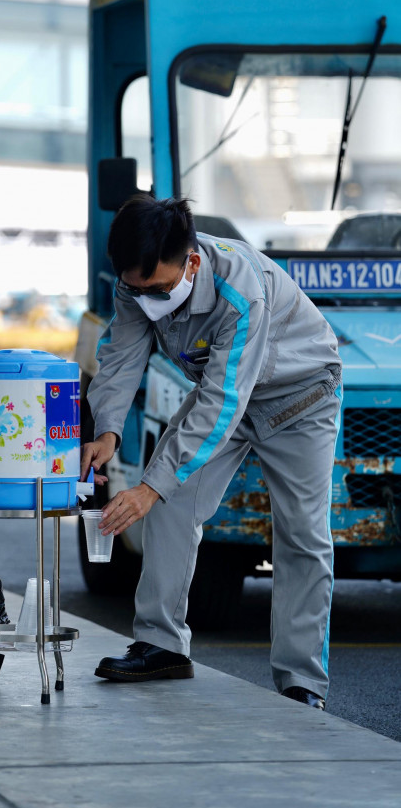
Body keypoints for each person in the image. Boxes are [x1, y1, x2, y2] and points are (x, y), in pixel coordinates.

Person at [81, 195, 341, 710]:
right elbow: (121, 356)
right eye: (136, 289)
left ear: (193, 263)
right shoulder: (136, 283)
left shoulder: (241, 291)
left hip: (300, 397)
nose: (147, 299)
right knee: (170, 500)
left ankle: (303, 682)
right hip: (224, 395)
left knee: (302, 534)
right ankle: (161, 646)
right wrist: (107, 432)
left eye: (158, 289)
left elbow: (223, 403)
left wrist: (151, 486)